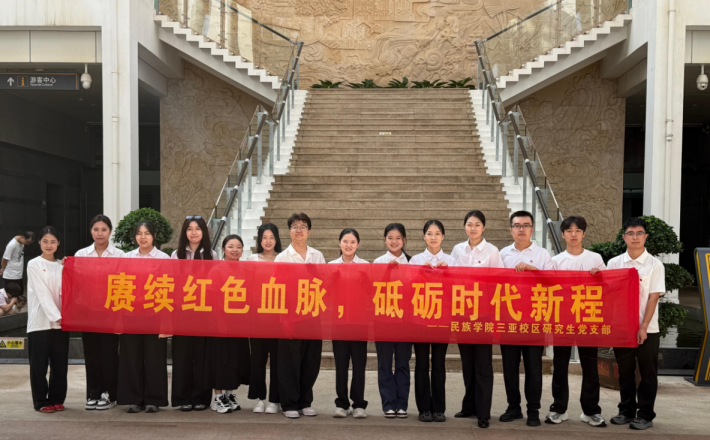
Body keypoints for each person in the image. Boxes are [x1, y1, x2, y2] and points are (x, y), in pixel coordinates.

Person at [547, 216, 607, 427]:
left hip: (588, 318)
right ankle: (558, 408)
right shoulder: (555, 261)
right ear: (563, 234)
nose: (573, 234)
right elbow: (549, 289)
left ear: (584, 234)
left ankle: (591, 411)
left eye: (578, 230)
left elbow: (608, 286)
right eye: (569, 231)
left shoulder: (595, 258)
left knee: (590, 366)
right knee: (560, 365)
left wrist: (599, 277)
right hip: (563, 318)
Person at [608, 217, 665, 431]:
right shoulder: (614, 263)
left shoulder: (655, 265)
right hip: (622, 328)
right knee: (625, 371)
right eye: (630, 233)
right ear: (624, 237)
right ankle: (626, 411)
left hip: (648, 329)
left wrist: (643, 327)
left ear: (645, 237)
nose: (635, 237)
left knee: (648, 373)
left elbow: (653, 297)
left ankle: (645, 414)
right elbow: (609, 294)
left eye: (639, 233)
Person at [498, 210, 555, 427]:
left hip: (535, 319)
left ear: (532, 229)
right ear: (510, 229)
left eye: (526, 225)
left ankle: (533, 410)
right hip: (509, 319)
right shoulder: (502, 254)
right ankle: (513, 407)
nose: (521, 229)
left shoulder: (542, 254)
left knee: (533, 368)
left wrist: (534, 270)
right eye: (517, 225)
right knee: (509, 367)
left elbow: (553, 282)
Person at [450, 210, 504, 429]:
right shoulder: (457, 250)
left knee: (483, 364)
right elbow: (450, 279)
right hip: (462, 312)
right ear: (464, 227)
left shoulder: (492, 251)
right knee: (467, 363)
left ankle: (483, 412)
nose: (473, 228)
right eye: (469, 224)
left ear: (484, 227)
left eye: (477, 225)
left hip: (483, 315)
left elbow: (499, 280)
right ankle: (469, 406)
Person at [274, 213, 326, 419]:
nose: (299, 230)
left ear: (309, 232)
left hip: (312, 315)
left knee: (310, 361)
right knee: (290, 362)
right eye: (295, 226)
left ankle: (305, 402)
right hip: (290, 317)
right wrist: (283, 319)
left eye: (303, 226)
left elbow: (324, 285)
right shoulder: (282, 257)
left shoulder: (317, 256)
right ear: (289, 231)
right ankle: (289, 404)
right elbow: (277, 290)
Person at [118, 220, 170, 413]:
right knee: (131, 357)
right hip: (131, 314)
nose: (143, 237)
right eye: (139, 233)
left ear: (154, 236)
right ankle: (133, 399)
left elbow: (169, 290)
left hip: (155, 314)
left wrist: (166, 321)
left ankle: (153, 399)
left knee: (154, 358)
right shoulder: (126, 257)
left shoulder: (164, 258)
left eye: (147, 233)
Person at [75, 215, 125, 411]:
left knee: (109, 354)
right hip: (88, 312)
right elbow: (76, 283)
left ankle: (109, 394)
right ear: (91, 231)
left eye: (104, 229)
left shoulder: (119, 255)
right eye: (96, 229)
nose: (100, 233)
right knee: (91, 354)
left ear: (110, 231)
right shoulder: (81, 254)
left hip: (110, 312)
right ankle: (93, 393)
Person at [170, 216, 217, 413]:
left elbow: (215, 284)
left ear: (204, 232)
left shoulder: (212, 255)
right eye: (190, 229)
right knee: (182, 357)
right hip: (182, 313)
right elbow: (172, 282)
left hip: (204, 313)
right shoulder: (176, 254)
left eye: (198, 229)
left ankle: (200, 398)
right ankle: (182, 398)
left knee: (202, 357)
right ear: (185, 232)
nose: (194, 232)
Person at [409, 220, 455, 423]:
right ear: (424, 237)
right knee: (421, 363)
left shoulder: (451, 260)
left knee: (438, 363)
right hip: (420, 318)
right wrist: (419, 272)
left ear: (443, 236)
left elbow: (459, 289)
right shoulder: (416, 260)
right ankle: (423, 408)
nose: (433, 237)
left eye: (437, 233)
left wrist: (449, 274)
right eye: (429, 233)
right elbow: (408, 288)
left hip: (442, 319)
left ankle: (439, 408)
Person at [206, 234, 250, 414]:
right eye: (230, 246)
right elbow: (212, 298)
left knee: (234, 359)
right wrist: (220, 321)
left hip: (239, 323)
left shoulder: (245, 270)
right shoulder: (216, 270)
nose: (235, 250)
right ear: (223, 249)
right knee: (220, 359)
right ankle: (217, 398)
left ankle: (229, 395)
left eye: (238, 247)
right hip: (220, 323)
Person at [26, 226, 68, 413]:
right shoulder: (34, 264)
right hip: (40, 323)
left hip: (61, 324)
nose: (49, 245)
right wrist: (57, 316)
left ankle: (57, 398)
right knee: (39, 365)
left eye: (53, 241)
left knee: (60, 364)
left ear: (58, 243)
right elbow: (42, 294)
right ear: (39, 243)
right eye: (45, 241)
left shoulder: (62, 265)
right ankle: (41, 401)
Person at [328, 228, 369, 419]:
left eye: (352, 242)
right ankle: (341, 404)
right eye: (345, 241)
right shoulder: (331, 266)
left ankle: (359, 404)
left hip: (359, 322)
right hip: (339, 322)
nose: (349, 245)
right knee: (341, 365)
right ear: (339, 243)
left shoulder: (365, 266)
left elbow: (370, 293)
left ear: (358, 244)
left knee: (359, 365)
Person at [372, 223, 412, 419]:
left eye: (398, 238)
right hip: (384, 321)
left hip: (406, 322)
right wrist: (387, 271)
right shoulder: (378, 262)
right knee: (385, 364)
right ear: (385, 240)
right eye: (390, 238)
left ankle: (402, 404)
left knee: (403, 363)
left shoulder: (413, 262)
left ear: (404, 240)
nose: (394, 241)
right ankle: (388, 404)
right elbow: (372, 290)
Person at [246, 223, 282, 414]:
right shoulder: (252, 259)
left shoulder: (284, 258)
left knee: (277, 360)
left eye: (271, 237)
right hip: (257, 317)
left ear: (277, 239)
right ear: (259, 240)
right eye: (264, 237)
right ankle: (260, 398)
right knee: (257, 360)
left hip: (278, 317)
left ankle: (275, 400)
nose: (268, 241)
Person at [1, 231, 35, 296]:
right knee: (12, 296)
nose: (27, 244)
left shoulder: (21, 243)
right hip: (11, 276)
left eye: (29, 243)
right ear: (23, 237)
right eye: (27, 242)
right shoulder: (12, 245)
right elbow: (4, 259)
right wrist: (3, 268)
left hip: (18, 275)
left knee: (20, 296)